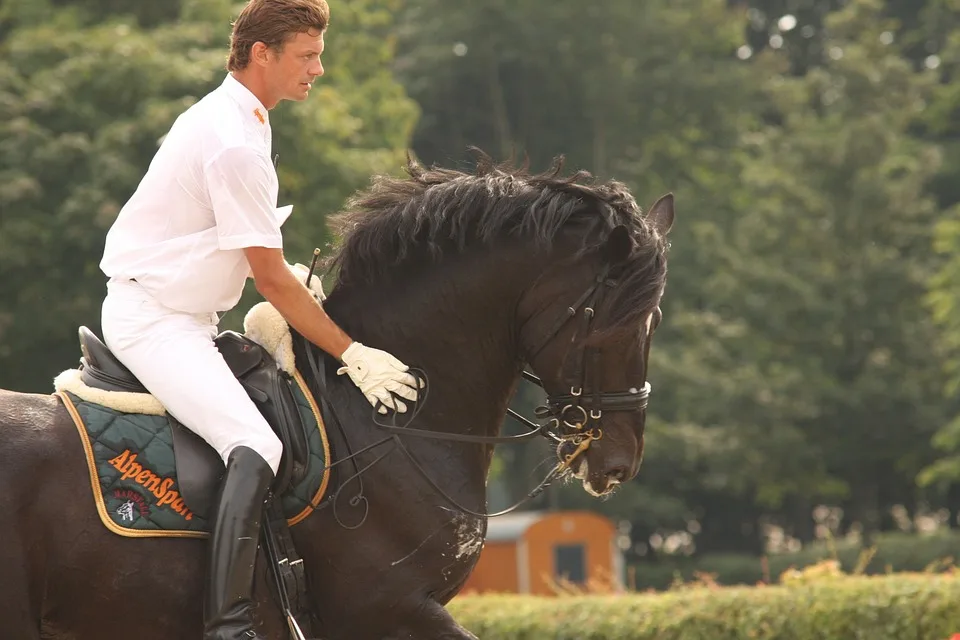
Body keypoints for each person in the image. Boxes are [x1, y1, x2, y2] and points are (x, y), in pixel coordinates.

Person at [97, 1, 419, 637]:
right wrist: (355, 354)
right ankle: (230, 623)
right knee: (258, 444)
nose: (319, 69)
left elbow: (246, 254)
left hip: (185, 313)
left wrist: (282, 271)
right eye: (307, 55)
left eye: (318, 55)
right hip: (154, 322)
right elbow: (268, 281)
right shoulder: (234, 143)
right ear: (261, 54)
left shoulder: (243, 118)